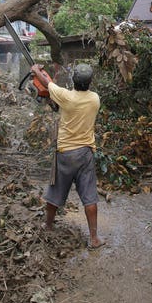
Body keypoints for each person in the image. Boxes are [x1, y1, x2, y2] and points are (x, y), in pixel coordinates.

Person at [30, 63, 104, 250]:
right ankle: (94, 238)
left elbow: (47, 84)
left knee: (55, 192)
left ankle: (48, 225)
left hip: (65, 153)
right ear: (90, 82)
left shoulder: (66, 97)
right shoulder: (95, 99)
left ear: (73, 80)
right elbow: (51, 87)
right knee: (89, 196)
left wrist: (36, 70)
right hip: (85, 153)